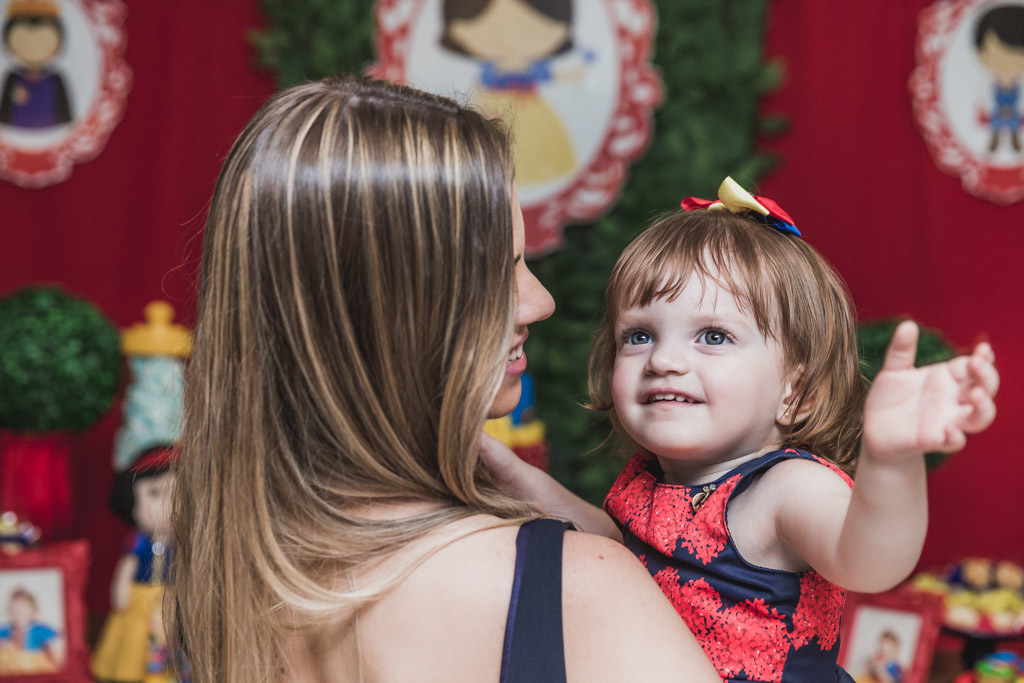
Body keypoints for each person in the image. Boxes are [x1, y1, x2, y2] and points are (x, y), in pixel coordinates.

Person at [168, 76, 721, 683]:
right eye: (504, 270)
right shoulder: (576, 591)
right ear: (396, 312)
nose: (540, 303)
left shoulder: (217, 576)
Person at [483, 177, 999, 682]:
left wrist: (891, 461)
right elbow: (611, 549)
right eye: (639, 335)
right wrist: (509, 471)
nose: (664, 358)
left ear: (796, 392)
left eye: (712, 336)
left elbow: (869, 562)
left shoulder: (785, 487)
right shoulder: (651, 479)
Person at [93, 446, 175, 682]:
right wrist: (120, 588)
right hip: (138, 598)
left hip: (170, 599)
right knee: (134, 639)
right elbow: (127, 566)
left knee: (167, 637)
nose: (169, 504)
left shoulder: (183, 545)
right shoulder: (138, 540)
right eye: (155, 493)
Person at [0, 587, 63, 673]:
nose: (18, 611)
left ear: (33, 611)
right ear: (9, 611)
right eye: (14, 607)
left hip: (33, 669)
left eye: (23, 607)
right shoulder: (4, 630)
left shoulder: (41, 630)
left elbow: (55, 650)